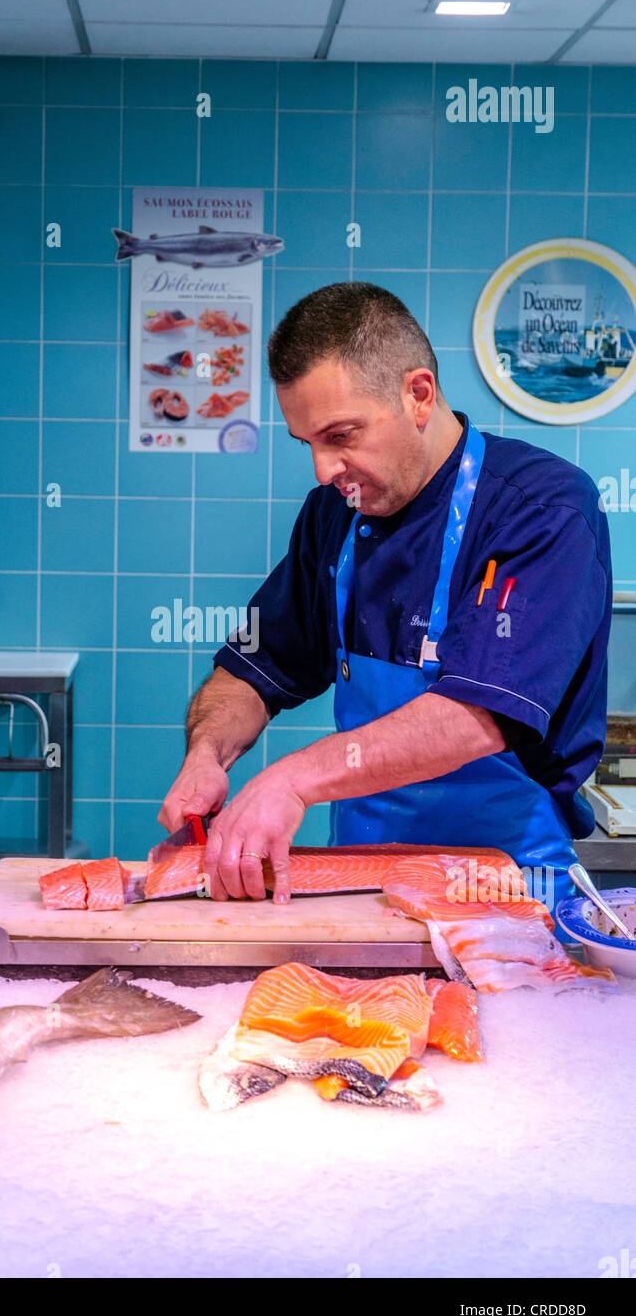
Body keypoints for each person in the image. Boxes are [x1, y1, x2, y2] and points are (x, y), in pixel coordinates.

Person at [159, 282, 612, 908]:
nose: (323, 470)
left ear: (418, 395)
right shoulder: (333, 515)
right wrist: (206, 755)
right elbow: (258, 665)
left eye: (341, 436)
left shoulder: (543, 510)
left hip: (508, 885)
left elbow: (473, 717)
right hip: (360, 884)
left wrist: (290, 780)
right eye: (309, 444)